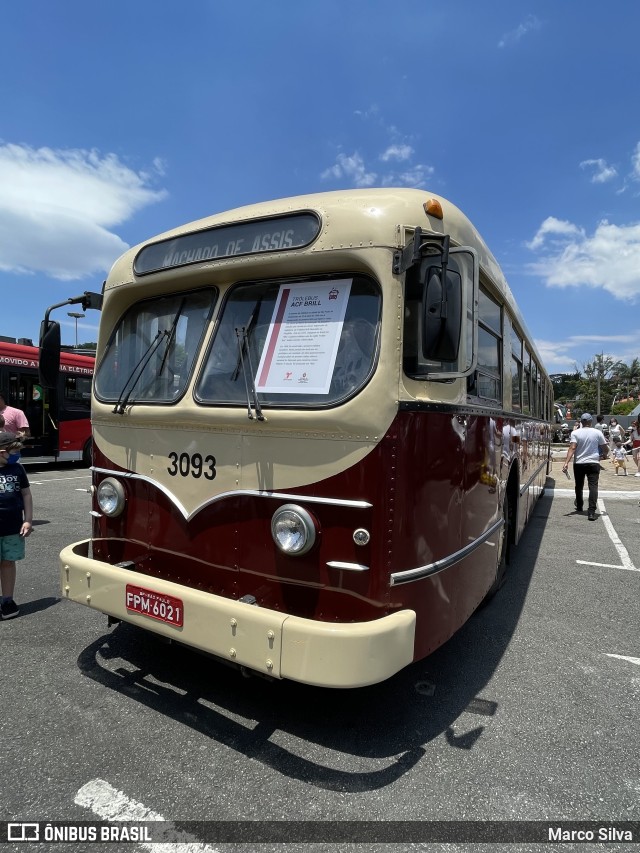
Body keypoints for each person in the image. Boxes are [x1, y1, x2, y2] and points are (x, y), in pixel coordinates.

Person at [0, 431, 33, 619]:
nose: (16, 456)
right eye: (13, 452)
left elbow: (26, 494)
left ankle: (7, 600)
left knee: (8, 563)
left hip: (13, 527)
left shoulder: (17, 469)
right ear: (1, 452)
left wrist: (28, 519)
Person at [562, 413, 607, 521]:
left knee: (579, 485)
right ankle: (591, 512)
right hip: (593, 462)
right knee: (593, 487)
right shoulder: (597, 433)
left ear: (581, 422)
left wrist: (566, 462)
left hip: (579, 463)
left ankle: (579, 505)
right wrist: (604, 455)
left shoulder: (575, 433)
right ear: (591, 421)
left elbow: (572, 448)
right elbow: (605, 447)